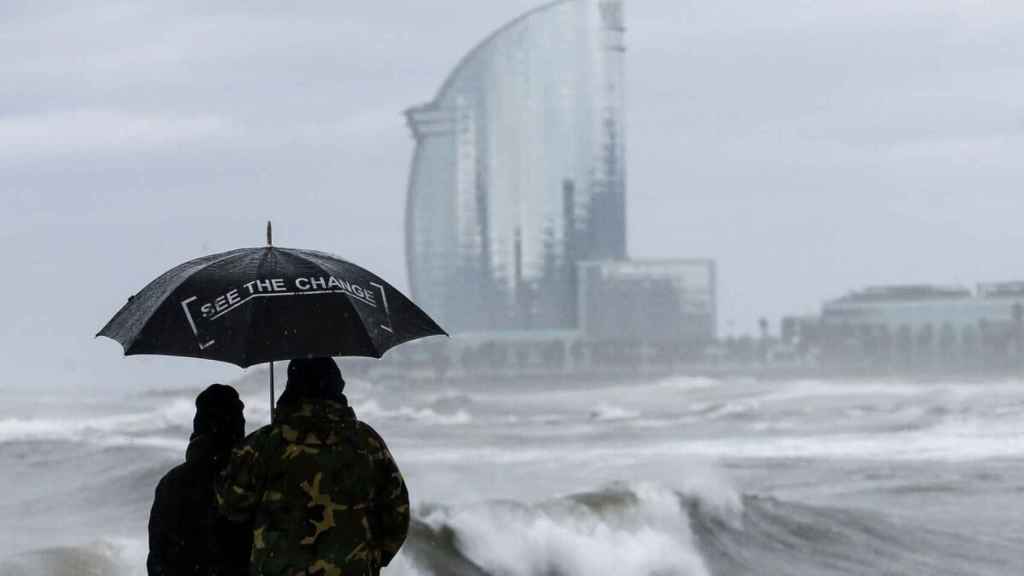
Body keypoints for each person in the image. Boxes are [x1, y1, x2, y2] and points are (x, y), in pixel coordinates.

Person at [217, 357, 410, 576]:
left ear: (291, 388)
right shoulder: (367, 442)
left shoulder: (263, 444)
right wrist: (374, 558)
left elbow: (231, 506)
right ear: (337, 388)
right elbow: (397, 515)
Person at [148, 383, 252, 576]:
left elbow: (157, 557)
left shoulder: (171, 483)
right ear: (239, 426)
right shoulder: (252, 477)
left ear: (198, 425)